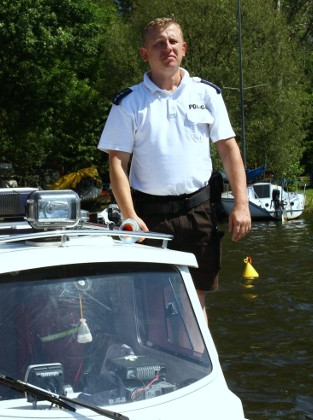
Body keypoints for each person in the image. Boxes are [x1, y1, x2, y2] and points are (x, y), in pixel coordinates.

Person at [98, 17, 251, 317]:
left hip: (199, 212)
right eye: (158, 43)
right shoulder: (128, 103)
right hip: (149, 217)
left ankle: (196, 360)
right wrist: (129, 216)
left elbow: (229, 150)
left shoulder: (207, 94)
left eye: (172, 42)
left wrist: (242, 204)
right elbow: (117, 162)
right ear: (145, 53)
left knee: (195, 301)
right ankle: (157, 365)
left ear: (183, 48)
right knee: (152, 304)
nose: (166, 48)